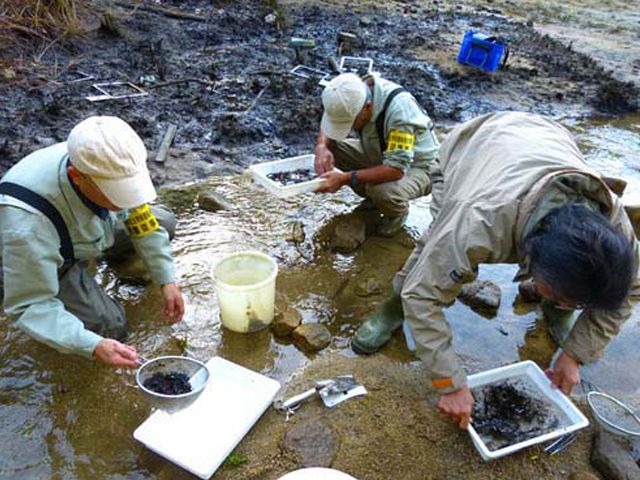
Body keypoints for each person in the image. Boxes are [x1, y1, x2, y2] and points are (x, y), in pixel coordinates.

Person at [351, 111, 638, 428]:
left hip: (545, 137)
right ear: (532, 259)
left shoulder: (615, 231)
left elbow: (630, 292)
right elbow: (424, 295)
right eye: (566, 299)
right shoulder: (477, 221)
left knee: (574, 285)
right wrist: (451, 383)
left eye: (575, 304)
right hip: (472, 147)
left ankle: (556, 313)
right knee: (434, 247)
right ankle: (393, 307)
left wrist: (575, 353)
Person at [0, 116, 185, 368]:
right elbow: (30, 305)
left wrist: (167, 279)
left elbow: (143, 222)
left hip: (87, 228)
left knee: (163, 221)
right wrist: (91, 345)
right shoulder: (29, 227)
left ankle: (120, 263)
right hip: (49, 255)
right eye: (117, 193)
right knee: (109, 327)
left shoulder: (111, 160)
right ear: (77, 176)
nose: (127, 201)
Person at [314, 72, 439, 237]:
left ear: (367, 107)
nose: (349, 128)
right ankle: (372, 200)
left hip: (418, 165)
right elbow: (332, 115)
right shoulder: (348, 91)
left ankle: (396, 213)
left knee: (383, 191)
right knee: (334, 150)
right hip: (381, 150)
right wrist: (322, 146)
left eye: (350, 122)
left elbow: (396, 169)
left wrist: (344, 178)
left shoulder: (400, 115)